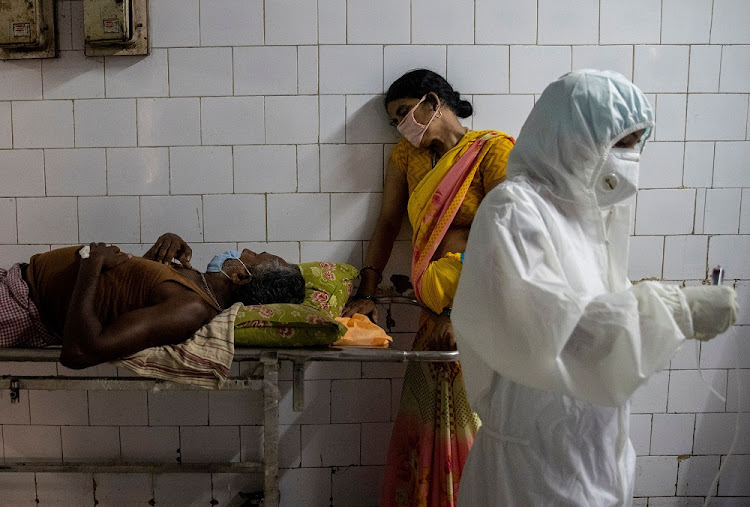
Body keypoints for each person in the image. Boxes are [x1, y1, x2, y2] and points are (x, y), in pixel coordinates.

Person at [451, 70, 739, 505]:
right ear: (572, 134)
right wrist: (677, 311)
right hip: (532, 468)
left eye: (636, 142)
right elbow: (555, 332)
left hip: (596, 453)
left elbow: (601, 316)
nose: (630, 156)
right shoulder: (515, 210)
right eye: (620, 142)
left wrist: (661, 308)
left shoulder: (591, 222)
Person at [342, 69, 515, 506]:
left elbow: (510, 235)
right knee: (427, 418)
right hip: (430, 308)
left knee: (470, 420)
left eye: (404, 113)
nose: (402, 127)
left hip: (478, 311)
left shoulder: (493, 151)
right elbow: (386, 222)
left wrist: (460, 314)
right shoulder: (407, 157)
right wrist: (367, 288)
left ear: (433, 102)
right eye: (394, 121)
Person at [0, 233, 305, 368]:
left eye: (252, 255)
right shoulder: (193, 281)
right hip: (14, 280)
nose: (245, 249)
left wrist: (90, 265)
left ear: (240, 277)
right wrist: (156, 255)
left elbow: (80, 352)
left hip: (18, 308)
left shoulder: (191, 309)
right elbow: (124, 296)